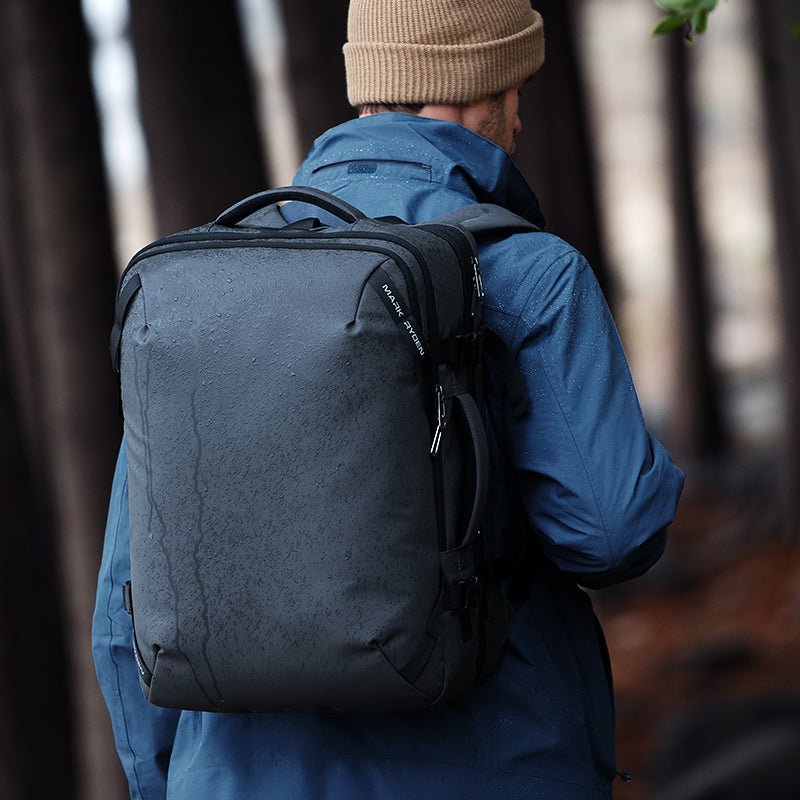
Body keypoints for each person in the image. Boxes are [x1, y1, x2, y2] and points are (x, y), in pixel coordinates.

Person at [93, 1, 684, 797]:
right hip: (493, 768)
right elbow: (611, 533)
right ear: (481, 88)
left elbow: (122, 614)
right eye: (519, 86)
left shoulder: (199, 290)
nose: (520, 117)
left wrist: (166, 781)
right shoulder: (529, 274)